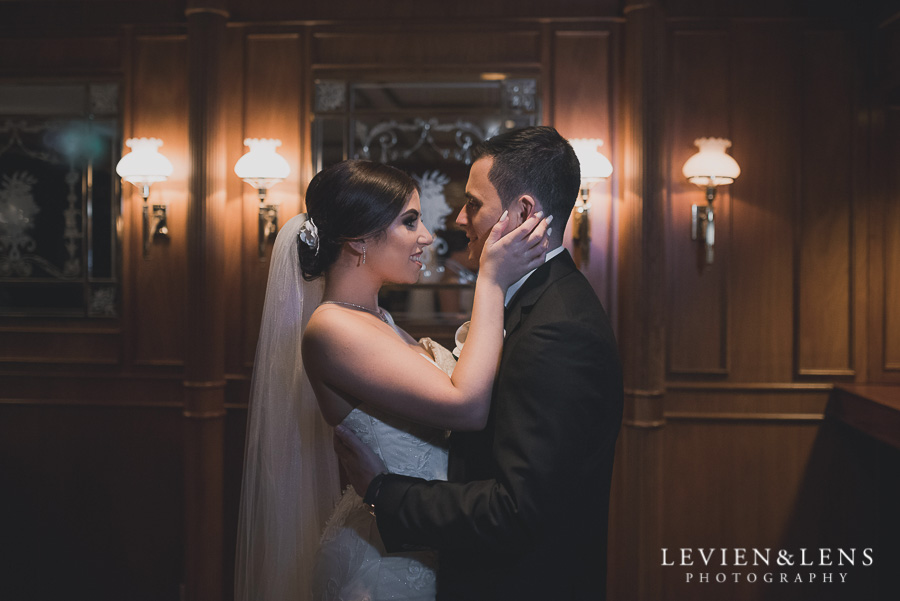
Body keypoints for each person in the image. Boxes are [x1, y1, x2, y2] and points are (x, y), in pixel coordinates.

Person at [234, 159, 550, 601]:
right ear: (359, 240)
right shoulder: (332, 329)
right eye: (409, 221)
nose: (427, 236)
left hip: (417, 539)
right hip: (380, 567)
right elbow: (467, 407)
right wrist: (492, 282)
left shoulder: (376, 319)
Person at [335, 126, 624, 601]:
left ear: (524, 212)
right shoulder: (532, 302)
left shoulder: (559, 328)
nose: (457, 219)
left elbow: (516, 510)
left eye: (472, 204)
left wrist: (384, 492)